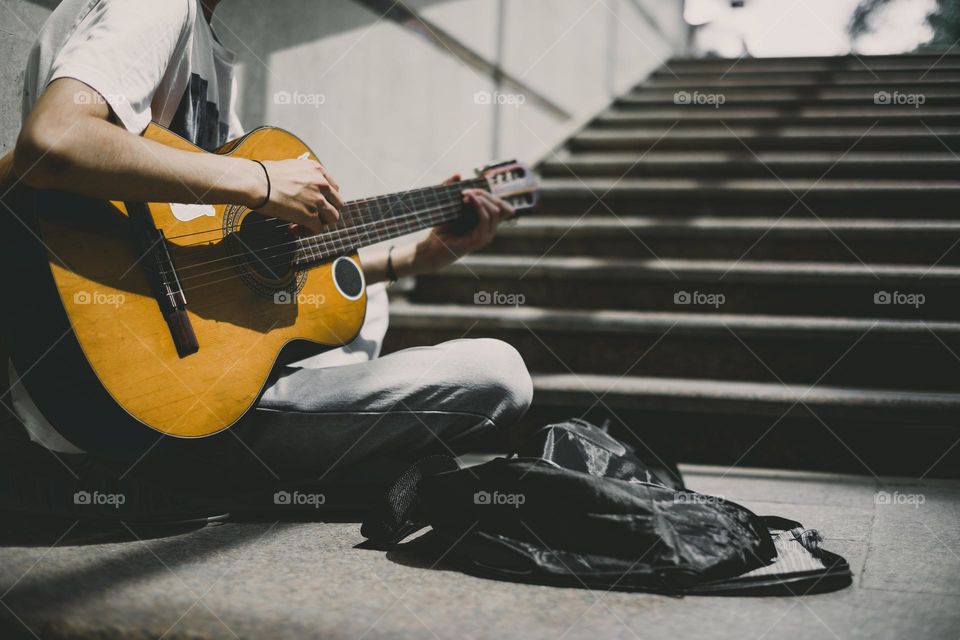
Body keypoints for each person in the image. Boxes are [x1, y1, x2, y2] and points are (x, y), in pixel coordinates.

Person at [6, 0, 533, 510]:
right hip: (121, 397)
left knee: (365, 303)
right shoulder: (158, 5)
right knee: (497, 371)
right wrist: (259, 180)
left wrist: (414, 258)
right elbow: (55, 139)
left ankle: (293, 475)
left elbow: (234, 265)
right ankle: (281, 476)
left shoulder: (207, 54)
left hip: (171, 393)